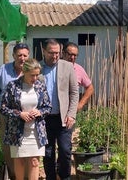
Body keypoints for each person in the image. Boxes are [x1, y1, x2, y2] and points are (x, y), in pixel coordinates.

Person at [0, 58, 52, 180]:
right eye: (32, 75)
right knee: (20, 162)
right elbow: (3, 107)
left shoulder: (40, 86)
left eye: (37, 75)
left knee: (34, 162)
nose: (35, 78)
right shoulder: (12, 86)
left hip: (36, 131)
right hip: (17, 132)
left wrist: (39, 111)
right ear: (24, 71)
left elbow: (48, 107)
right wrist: (19, 114)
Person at [0, 43, 30, 180]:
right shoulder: (3, 70)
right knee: (7, 149)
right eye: (19, 55)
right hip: (5, 116)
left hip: (24, 117)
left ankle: (25, 176)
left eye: (25, 55)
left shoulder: (31, 71)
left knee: (24, 148)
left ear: (28, 56)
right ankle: (14, 176)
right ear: (13, 56)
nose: (22, 58)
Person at [40, 39, 79, 180]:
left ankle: (65, 177)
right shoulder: (38, 68)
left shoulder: (67, 67)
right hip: (44, 119)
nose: (55, 56)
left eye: (57, 53)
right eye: (51, 53)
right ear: (44, 51)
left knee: (65, 151)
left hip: (64, 118)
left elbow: (74, 93)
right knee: (48, 152)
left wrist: (71, 114)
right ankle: (50, 177)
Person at [62, 42, 94, 111]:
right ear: (63, 53)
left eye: (75, 55)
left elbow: (90, 88)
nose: (72, 57)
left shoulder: (79, 69)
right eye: (70, 54)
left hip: (70, 111)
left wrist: (80, 104)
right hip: (54, 111)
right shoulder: (55, 68)